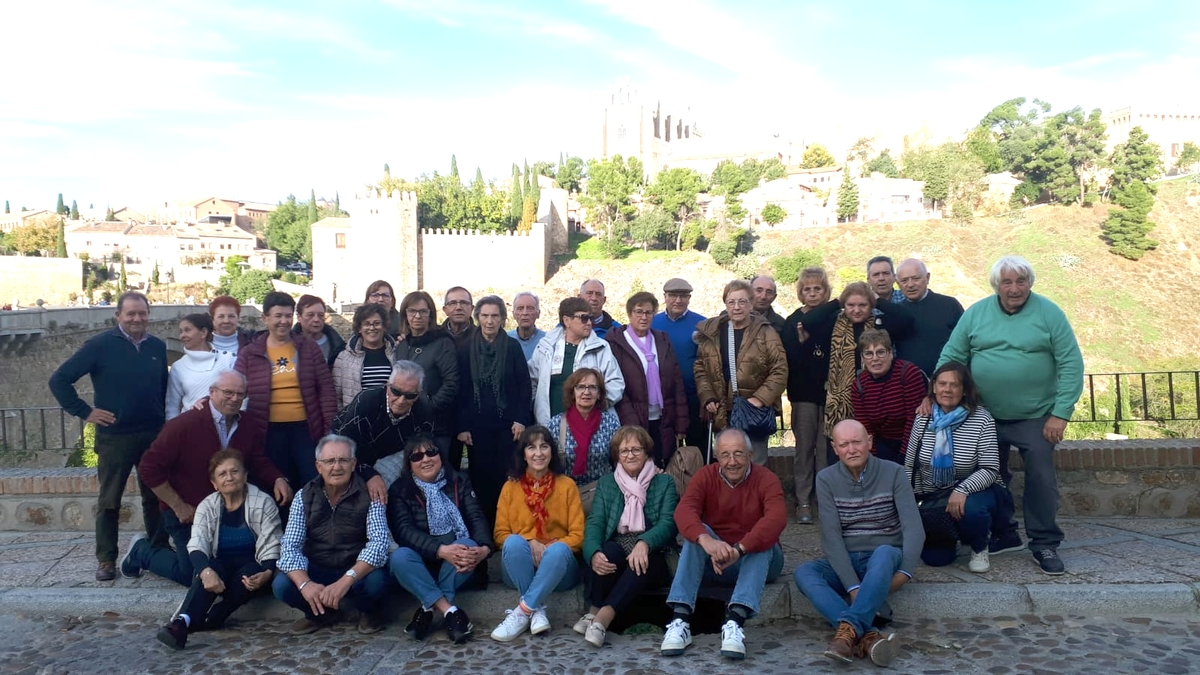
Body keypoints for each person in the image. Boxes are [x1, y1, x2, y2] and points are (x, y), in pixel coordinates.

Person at [937, 255, 1083, 575]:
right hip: (984, 414)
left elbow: (1071, 364)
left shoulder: (1049, 313)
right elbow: (953, 355)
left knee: (1041, 476)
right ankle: (1003, 532)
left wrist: (1060, 414)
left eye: (1020, 281)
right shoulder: (977, 313)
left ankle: (1044, 543)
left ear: (1030, 282)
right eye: (1007, 282)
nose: (1014, 288)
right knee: (987, 474)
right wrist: (942, 395)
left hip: (1036, 416)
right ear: (996, 286)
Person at [124, 371, 290, 586]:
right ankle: (141, 551)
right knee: (192, 575)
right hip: (187, 512)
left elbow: (256, 459)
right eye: (228, 393)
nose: (234, 398)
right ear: (212, 392)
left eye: (240, 394)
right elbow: (148, 468)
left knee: (229, 568)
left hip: (226, 512)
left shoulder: (248, 424)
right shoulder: (183, 425)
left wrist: (277, 478)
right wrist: (178, 506)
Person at [49, 291, 167, 581]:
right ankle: (106, 559)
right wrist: (85, 412)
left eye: (142, 313)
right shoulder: (100, 346)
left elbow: (164, 388)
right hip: (115, 437)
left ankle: (159, 550)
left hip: (152, 434)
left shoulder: (157, 346)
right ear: (118, 316)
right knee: (110, 500)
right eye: (131, 314)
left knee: (156, 497)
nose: (137, 318)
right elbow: (59, 380)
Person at [794, 420, 923, 668]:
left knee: (885, 552)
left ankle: (846, 635)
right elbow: (831, 537)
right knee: (804, 572)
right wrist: (854, 587)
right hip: (850, 557)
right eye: (844, 444)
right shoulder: (826, 479)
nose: (851, 449)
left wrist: (904, 573)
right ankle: (868, 636)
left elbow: (914, 528)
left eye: (857, 442)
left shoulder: (894, 472)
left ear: (869, 443)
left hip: (885, 558)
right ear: (835, 448)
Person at [660, 428, 786, 661]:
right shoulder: (705, 476)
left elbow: (776, 519)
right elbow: (684, 511)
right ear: (716, 456)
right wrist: (707, 542)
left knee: (762, 540)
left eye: (738, 454)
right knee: (696, 533)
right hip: (716, 561)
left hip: (759, 560)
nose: (732, 462)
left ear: (750, 455)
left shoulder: (766, 479)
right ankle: (680, 619)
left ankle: (735, 621)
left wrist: (739, 550)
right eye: (725, 454)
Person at [154, 450, 283, 650]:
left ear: (245, 475)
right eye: (222, 474)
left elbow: (272, 541)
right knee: (209, 569)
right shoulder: (207, 506)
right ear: (214, 483)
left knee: (248, 576)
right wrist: (205, 571)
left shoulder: (263, 502)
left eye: (234, 471)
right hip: (222, 565)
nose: (229, 477)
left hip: (253, 565)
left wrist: (267, 571)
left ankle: (218, 614)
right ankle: (181, 624)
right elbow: (197, 542)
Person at [273, 435, 390, 635]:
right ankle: (321, 614)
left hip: (355, 567)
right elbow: (290, 546)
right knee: (282, 585)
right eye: (329, 461)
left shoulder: (370, 493)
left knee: (376, 581)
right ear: (318, 466)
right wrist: (305, 584)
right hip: (319, 566)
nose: (337, 467)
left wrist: (346, 580)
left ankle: (367, 612)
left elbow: (379, 543)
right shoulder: (304, 495)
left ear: (353, 464)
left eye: (343, 460)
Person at [576, 426, 678, 648]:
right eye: (624, 451)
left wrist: (645, 542)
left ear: (646, 452)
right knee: (606, 553)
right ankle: (594, 608)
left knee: (641, 561)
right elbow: (596, 522)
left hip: (656, 553)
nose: (630, 455)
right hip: (620, 546)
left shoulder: (664, 482)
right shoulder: (607, 483)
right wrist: (593, 552)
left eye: (636, 450)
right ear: (617, 455)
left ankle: (602, 618)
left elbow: (668, 524)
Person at [386, 434, 493, 644]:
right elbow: (404, 531)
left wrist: (485, 549)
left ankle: (427, 609)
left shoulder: (459, 480)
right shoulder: (399, 490)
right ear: (409, 464)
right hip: (422, 565)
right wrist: (441, 550)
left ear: (440, 456)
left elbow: (476, 517)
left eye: (431, 452)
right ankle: (450, 611)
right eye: (417, 456)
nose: (425, 459)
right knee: (399, 557)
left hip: (458, 565)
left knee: (468, 545)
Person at [906, 362, 1003, 573]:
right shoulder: (923, 417)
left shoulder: (981, 419)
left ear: (965, 390)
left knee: (972, 510)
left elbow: (990, 468)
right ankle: (950, 536)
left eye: (954, 385)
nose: (947, 390)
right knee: (936, 559)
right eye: (942, 384)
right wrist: (908, 501)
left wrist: (962, 490)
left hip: (973, 490)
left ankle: (979, 545)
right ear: (934, 387)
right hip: (933, 494)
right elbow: (910, 463)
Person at [490, 425, 585, 642]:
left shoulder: (567, 486)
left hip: (559, 569)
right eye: (531, 448)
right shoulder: (510, 487)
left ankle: (523, 611)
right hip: (519, 567)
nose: (538, 453)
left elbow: (578, 536)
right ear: (523, 454)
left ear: (552, 451)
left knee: (560, 549)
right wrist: (530, 541)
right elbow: (500, 534)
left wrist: (548, 548)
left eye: (544, 446)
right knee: (513, 542)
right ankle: (536, 608)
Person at [235, 292, 337, 488]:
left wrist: (328, 428)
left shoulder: (308, 348)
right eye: (278, 316)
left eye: (288, 316)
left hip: (306, 429)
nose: (284, 321)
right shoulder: (250, 353)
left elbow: (325, 388)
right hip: (267, 430)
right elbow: (235, 386)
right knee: (276, 483)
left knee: (311, 482)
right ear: (264, 318)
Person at [800, 281, 914, 445]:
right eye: (850, 305)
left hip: (874, 397)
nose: (856, 310)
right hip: (841, 402)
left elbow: (907, 320)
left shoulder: (880, 323)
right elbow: (808, 321)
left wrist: (878, 300)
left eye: (863, 305)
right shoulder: (834, 323)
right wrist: (837, 302)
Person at [692, 280, 788, 465]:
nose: (737, 307)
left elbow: (780, 369)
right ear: (725, 304)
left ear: (751, 304)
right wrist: (708, 396)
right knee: (727, 463)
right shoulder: (713, 332)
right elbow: (700, 367)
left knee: (755, 463)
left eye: (742, 302)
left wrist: (760, 399)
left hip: (753, 412)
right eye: (731, 302)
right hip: (722, 410)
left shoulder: (766, 332)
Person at [456, 295, 533, 526]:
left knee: (508, 476)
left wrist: (521, 419)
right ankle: (486, 529)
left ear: (502, 318)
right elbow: (459, 389)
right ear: (477, 317)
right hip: (477, 428)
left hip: (508, 427)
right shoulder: (465, 347)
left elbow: (524, 386)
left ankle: (508, 527)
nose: (490, 321)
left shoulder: (511, 346)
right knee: (481, 479)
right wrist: (461, 426)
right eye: (485, 316)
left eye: (495, 316)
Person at [332, 361, 441, 502]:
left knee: (380, 491)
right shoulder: (366, 401)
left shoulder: (424, 410)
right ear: (387, 385)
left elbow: (422, 450)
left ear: (418, 394)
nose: (401, 400)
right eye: (396, 391)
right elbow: (344, 447)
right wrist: (369, 474)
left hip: (392, 454)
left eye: (410, 395)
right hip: (348, 445)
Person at [606, 292, 688, 466]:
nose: (644, 317)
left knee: (662, 465)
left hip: (664, 418)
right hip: (633, 418)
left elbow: (676, 382)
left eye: (649, 312)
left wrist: (681, 423)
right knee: (638, 465)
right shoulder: (617, 343)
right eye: (638, 312)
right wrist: (633, 424)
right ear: (629, 314)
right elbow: (617, 386)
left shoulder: (662, 339)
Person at [781, 267, 832, 524]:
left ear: (826, 291)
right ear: (800, 292)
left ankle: (824, 501)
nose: (812, 293)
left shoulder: (834, 317)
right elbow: (792, 358)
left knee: (826, 450)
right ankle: (802, 502)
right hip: (803, 395)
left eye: (818, 289)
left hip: (831, 396)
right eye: (807, 289)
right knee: (804, 450)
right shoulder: (792, 321)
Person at [529, 297, 625, 426]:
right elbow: (531, 381)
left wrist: (596, 403)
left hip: (591, 424)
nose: (589, 323)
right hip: (550, 424)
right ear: (567, 321)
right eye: (584, 318)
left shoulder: (601, 347)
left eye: (590, 318)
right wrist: (538, 407)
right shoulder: (546, 346)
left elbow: (616, 382)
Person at [394, 290, 459, 462]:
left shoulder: (442, 342)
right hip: (407, 424)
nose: (417, 316)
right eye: (412, 311)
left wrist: (429, 406)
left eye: (423, 311)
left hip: (436, 426)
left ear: (430, 314)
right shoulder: (402, 345)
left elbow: (451, 382)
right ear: (405, 314)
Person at [851, 329, 928, 463]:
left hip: (915, 440)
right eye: (868, 354)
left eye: (881, 352)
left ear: (891, 353)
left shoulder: (908, 372)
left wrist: (904, 458)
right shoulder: (859, 385)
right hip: (883, 443)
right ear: (862, 358)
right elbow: (866, 428)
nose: (875, 358)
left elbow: (914, 419)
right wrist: (874, 462)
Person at [651, 278, 708, 450]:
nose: (678, 300)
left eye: (683, 296)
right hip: (663, 398)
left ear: (689, 298)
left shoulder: (702, 324)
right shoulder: (652, 323)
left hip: (694, 396)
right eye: (673, 295)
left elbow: (710, 361)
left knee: (698, 448)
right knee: (665, 447)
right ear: (665, 297)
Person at [548, 368, 622, 487]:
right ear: (573, 392)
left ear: (599, 394)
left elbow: (622, 458)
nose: (586, 392)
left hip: (602, 490)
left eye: (592, 387)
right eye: (581, 387)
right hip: (566, 492)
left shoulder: (610, 423)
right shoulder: (556, 424)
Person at [893, 259, 964, 378]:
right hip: (908, 384)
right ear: (898, 283)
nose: (910, 284)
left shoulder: (949, 305)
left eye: (916, 278)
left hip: (946, 382)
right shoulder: (896, 312)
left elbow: (965, 342)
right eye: (904, 280)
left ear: (927, 278)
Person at [166, 312, 235, 420]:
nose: (182, 335)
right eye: (181, 331)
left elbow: (241, 395)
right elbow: (172, 405)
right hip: (190, 427)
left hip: (225, 425)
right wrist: (172, 431)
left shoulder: (228, 359)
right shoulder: (178, 367)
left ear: (203, 332)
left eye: (187, 330)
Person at [332, 303, 397, 408]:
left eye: (377, 323)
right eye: (366, 324)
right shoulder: (344, 358)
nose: (372, 328)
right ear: (359, 328)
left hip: (389, 418)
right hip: (356, 419)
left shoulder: (396, 354)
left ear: (384, 326)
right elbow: (336, 396)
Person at [292, 294, 346, 369]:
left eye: (321, 315)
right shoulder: (288, 344)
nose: (316, 319)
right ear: (299, 317)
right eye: (310, 315)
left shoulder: (337, 345)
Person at [508, 291, 546, 361]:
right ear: (513, 314)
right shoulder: (505, 339)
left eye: (530, 308)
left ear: (538, 313)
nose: (525, 313)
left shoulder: (547, 341)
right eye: (520, 308)